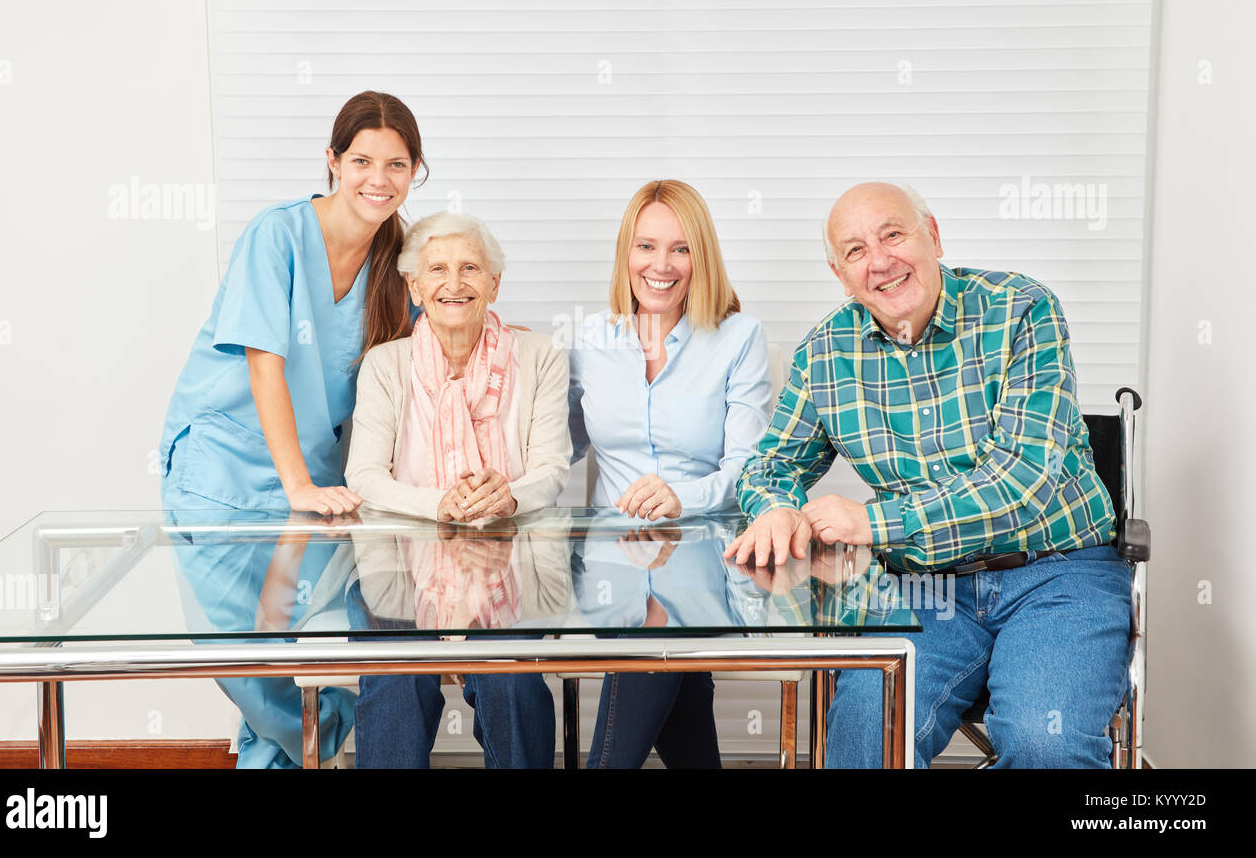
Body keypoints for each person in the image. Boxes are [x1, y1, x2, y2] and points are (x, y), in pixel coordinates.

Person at [728, 181, 1132, 768]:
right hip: (926, 589)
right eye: (857, 250)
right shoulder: (825, 352)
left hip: (1058, 574)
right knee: (865, 735)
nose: (881, 260)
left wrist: (871, 520)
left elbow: (1019, 481)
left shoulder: (1021, 309)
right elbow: (770, 464)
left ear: (933, 236)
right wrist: (777, 506)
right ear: (840, 273)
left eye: (893, 234)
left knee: (1047, 743)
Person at [158, 90, 426, 768]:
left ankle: (279, 754)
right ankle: (313, 741)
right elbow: (264, 365)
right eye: (362, 160)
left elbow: (430, 355)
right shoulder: (275, 236)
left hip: (318, 485)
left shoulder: (399, 260)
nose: (378, 179)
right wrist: (298, 484)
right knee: (244, 664)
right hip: (224, 471)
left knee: (301, 644)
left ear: (416, 171)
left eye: (397, 165)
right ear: (332, 161)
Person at [344, 211, 571, 768]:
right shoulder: (385, 364)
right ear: (415, 287)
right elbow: (365, 476)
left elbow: (554, 466)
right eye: (438, 269)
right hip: (399, 568)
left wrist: (510, 495)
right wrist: (437, 503)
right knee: (396, 686)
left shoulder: (541, 356)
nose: (455, 283)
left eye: (471, 268)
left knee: (510, 686)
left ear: (495, 283)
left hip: (514, 565)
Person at [568, 179, 773, 768]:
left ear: (700, 256)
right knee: (679, 698)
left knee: (655, 649)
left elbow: (750, 469)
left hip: (706, 556)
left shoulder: (739, 338)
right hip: (612, 562)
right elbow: (559, 447)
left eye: (680, 249)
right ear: (625, 254)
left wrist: (681, 497)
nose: (661, 265)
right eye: (646, 246)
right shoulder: (591, 339)